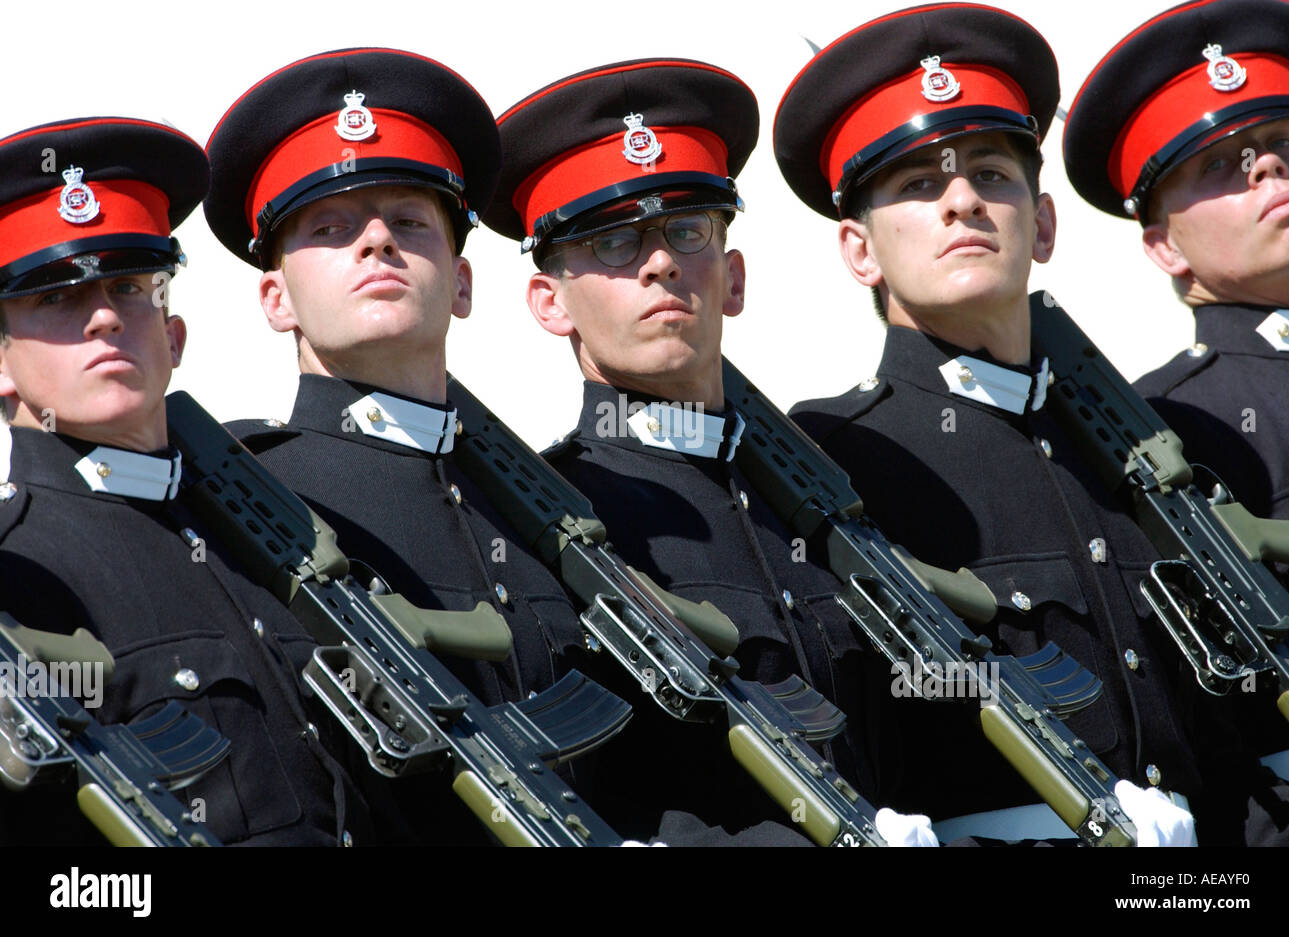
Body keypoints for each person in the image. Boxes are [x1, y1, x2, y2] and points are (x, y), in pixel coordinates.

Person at [204, 47, 812, 845]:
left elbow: (637, 776)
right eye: (332, 226)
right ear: (275, 298)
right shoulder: (248, 512)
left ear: (461, 284)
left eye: (410, 222)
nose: (377, 242)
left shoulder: (542, 513)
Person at [776, 2, 1289, 845]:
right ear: (858, 251)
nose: (962, 202)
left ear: (1043, 223)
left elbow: (1228, 742)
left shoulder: (1140, 448)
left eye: (991, 175)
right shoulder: (835, 464)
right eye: (916, 186)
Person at [484, 57, 936, 846]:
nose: (660, 262)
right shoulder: (545, 521)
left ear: (731, 278)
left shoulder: (827, 493)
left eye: (686, 231)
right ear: (549, 302)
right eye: (616, 242)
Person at [0, 117, 371, 845]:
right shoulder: (23, 579)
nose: (106, 315)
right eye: (56, 297)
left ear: (173, 338)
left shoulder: (280, 531)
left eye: (131, 286)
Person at [1063, 0, 1289, 775]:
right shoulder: (1164, 425)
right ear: (1165, 245)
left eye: (1284, 141)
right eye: (1220, 165)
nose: (1268, 166)